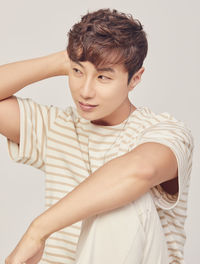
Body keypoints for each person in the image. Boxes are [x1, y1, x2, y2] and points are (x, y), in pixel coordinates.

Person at [0, 8, 193, 264]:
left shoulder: (165, 131)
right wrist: (63, 61)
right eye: (78, 72)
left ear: (135, 79)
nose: (85, 91)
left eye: (103, 76)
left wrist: (38, 230)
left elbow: (139, 170)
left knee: (122, 201)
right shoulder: (57, 126)